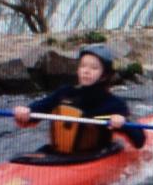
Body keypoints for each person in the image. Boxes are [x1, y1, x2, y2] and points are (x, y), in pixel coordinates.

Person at [13, 44, 146, 154]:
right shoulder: (64, 93)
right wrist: (25, 112)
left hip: (93, 156)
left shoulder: (114, 104)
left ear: (104, 75)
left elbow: (139, 140)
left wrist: (123, 122)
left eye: (94, 68)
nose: (86, 71)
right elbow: (38, 109)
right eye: (83, 66)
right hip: (56, 155)